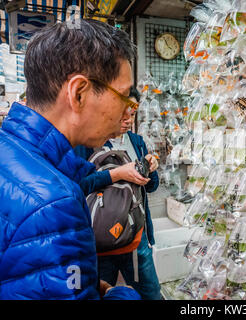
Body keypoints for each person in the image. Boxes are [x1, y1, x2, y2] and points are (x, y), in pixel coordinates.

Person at [0, 19, 141, 300]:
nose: (127, 111)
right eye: (124, 96)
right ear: (79, 93)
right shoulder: (54, 204)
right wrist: (119, 294)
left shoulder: (12, 149)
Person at [74, 87, 162, 300]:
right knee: (103, 292)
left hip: (136, 239)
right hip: (100, 241)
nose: (128, 118)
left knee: (151, 294)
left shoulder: (136, 141)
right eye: (122, 111)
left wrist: (152, 168)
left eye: (132, 112)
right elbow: (78, 186)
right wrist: (117, 174)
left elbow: (149, 187)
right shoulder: (89, 141)